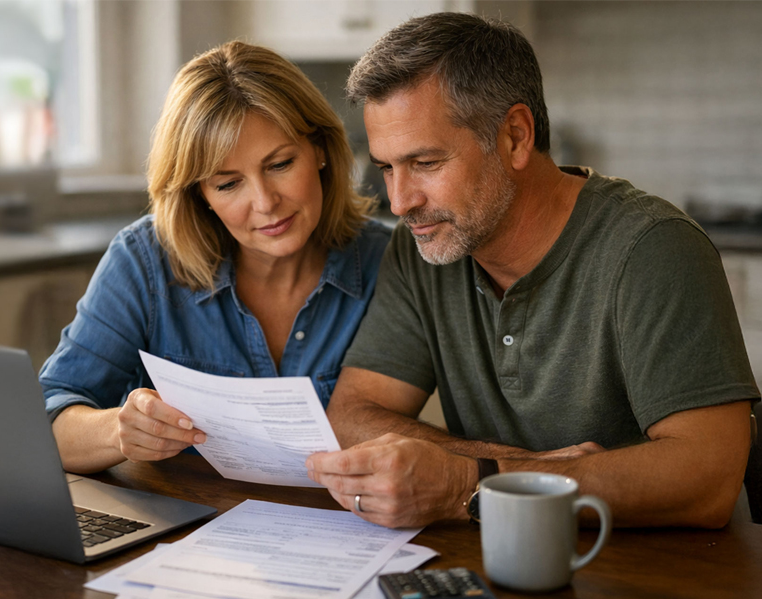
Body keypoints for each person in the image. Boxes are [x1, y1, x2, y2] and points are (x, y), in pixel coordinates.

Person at [305, 12, 759, 529]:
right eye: (386, 167)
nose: (400, 201)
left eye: (425, 163)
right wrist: (518, 469)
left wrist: (469, 482)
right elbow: (352, 415)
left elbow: (709, 480)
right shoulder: (424, 247)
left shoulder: (653, 248)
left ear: (516, 137)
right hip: (504, 558)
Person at [40, 41, 390, 474]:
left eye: (280, 164)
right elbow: (45, 421)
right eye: (228, 184)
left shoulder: (387, 262)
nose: (265, 203)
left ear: (320, 149)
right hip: (187, 525)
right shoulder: (145, 260)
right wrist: (118, 431)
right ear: (199, 194)